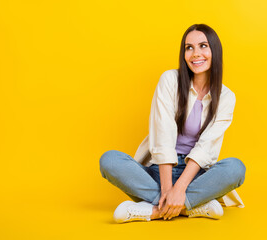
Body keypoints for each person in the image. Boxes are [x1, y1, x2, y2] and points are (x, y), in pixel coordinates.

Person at [99, 23, 246, 223]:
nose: (196, 53)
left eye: (203, 46)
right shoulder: (170, 80)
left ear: (215, 50)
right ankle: (190, 206)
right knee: (109, 160)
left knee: (236, 169)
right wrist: (169, 189)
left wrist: (180, 188)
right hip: (159, 172)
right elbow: (163, 135)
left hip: (196, 176)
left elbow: (206, 147)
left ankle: (153, 210)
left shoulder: (227, 97)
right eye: (189, 47)